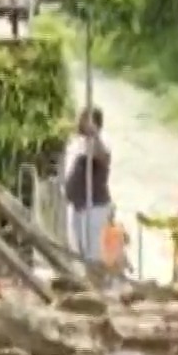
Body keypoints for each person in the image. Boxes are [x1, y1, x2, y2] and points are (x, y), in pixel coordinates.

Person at [62, 108, 112, 260]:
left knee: (93, 255)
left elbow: (104, 158)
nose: (79, 122)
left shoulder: (101, 142)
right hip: (77, 206)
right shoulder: (77, 143)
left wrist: (95, 135)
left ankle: (95, 281)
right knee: (79, 252)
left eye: (83, 119)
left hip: (94, 207)